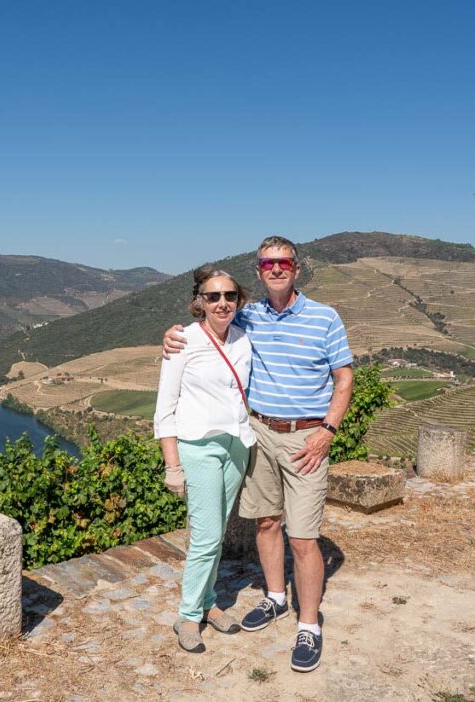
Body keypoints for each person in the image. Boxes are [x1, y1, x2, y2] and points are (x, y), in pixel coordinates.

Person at [163, 236, 354, 672]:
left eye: (283, 262)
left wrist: (327, 431)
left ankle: (309, 625)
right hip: (258, 432)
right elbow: (208, 326)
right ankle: (274, 599)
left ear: (297, 268)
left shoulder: (324, 318)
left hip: (306, 438)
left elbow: (344, 379)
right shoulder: (249, 316)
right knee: (266, 522)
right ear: (259, 269)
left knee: (304, 538)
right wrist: (171, 335)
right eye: (268, 263)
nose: (276, 269)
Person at [153, 265, 255, 654]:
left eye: (229, 296)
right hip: (199, 447)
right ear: (200, 302)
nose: (222, 302)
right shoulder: (182, 341)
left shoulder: (245, 339)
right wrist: (172, 466)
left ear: (238, 301)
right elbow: (165, 409)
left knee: (218, 533)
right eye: (213, 296)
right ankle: (188, 615)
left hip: (237, 445)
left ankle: (209, 603)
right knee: (207, 536)